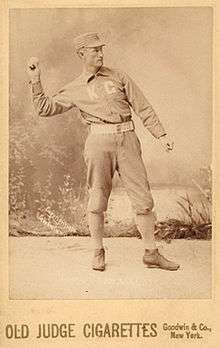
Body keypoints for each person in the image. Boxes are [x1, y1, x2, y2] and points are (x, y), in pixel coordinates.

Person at [27, 32, 180, 272]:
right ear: (81, 54)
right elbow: (45, 108)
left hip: (128, 140)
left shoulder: (119, 77)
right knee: (97, 200)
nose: (100, 53)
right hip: (98, 143)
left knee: (144, 201)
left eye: (101, 49)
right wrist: (36, 81)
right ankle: (97, 251)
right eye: (94, 50)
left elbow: (143, 107)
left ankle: (151, 253)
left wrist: (161, 135)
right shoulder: (74, 88)